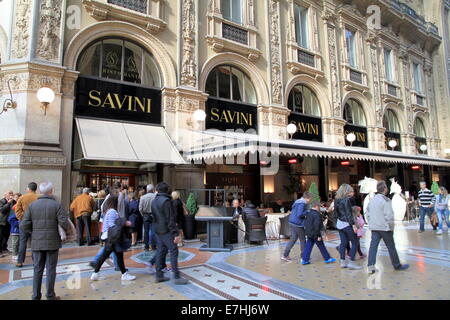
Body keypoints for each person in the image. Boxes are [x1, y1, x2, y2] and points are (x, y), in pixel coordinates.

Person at [20, 182, 70, 300]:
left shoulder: (32, 206)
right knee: (51, 268)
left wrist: (33, 232)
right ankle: (50, 295)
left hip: (36, 242)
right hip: (52, 242)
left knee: (37, 269)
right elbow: (64, 223)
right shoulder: (56, 205)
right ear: (51, 191)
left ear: (40, 192)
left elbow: (24, 225)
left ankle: (36, 295)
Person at [89, 194, 136, 281]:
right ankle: (124, 274)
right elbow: (112, 225)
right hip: (112, 237)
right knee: (118, 255)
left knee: (105, 255)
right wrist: (124, 222)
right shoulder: (112, 212)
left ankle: (95, 273)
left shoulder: (110, 211)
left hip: (110, 237)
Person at [366, 181, 409, 274]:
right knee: (391, 246)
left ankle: (370, 266)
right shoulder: (386, 200)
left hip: (374, 227)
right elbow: (389, 216)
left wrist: (371, 223)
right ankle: (397, 265)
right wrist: (391, 227)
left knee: (373, 247)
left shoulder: (372, 200)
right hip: (384, 228)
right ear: (385, 189)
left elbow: (367, 213)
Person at [152, 182, 188, 285]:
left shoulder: (154, 200)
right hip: (166, 230)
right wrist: (176, 233)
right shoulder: (167, 201)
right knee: (173, 250)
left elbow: (153, 216)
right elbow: (170, 219)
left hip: (158, 229)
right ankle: (176, 276)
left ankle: (159, 275)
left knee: (160, 251)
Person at [335, 184, 362, 270]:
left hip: (340, 224)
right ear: (347, 192)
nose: (352, 192)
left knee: (343, 243)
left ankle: (342, 262)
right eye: (351, 191)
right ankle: (351, 262)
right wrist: (353, 225)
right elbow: (348, 214)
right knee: (355, 243)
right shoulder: (346, 200)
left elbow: (336, 213)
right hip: (347, 224)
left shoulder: (336, 200)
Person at [301, 201, 336, 265]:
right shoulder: (316, 214)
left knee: (308, 246)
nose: (319, 208)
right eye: (319, 206)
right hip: (315, 233)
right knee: (321, 245)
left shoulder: (308, 212)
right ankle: (327, 258)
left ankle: (304, 260)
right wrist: (318, 236)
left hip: (309, 232)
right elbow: (316, 226)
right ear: (316, 206)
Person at [281, 192, 313, 262]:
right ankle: (304, 257)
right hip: (298, 224)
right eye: (310, 199)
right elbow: (299, 214)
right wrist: (307, 212)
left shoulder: (298, 201)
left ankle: (285, 255)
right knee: (303, 240)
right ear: (307, 198)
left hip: (292, 222)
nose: (310, 201)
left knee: (293, 239)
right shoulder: (302, 203)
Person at [15, 182, 39, 267]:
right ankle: (35, 260)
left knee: (22, 242)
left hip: (24, 222)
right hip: (36, 222)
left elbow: (17, 211)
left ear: (28, 188)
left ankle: (20, 261)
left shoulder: (22, 197)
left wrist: (22, 217)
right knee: (35, 242)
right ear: (36, 189)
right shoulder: (39, 197)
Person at [139, 184, 157, 251]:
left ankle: (146, 246)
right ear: (153, 190)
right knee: (153, 231)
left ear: (147, 190)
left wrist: (143, 215)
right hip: (154, 215)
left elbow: (140, 209)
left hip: (146, 215)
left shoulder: (142, 197)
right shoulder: (156, 196)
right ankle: (153, 246)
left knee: (146, 231)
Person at [7, 193, 21, 262]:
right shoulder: (15, 207)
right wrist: (18, 223)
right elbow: (10, 218)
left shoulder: (18, 206)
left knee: (18, 243)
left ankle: (17, 254)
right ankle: (14, 255)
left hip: (19, 229)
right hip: (15, 229)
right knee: (15, 243)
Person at [0, 190, 15, 254]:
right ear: (5, 195)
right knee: (1, 236)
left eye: (12, 193)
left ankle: (4, 248)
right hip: (2, 221)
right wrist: (8, 203)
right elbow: (2, 210)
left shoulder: (13, 201)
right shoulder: (2, 201)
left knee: (7, 235)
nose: (11, 195)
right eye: (9, 193)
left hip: (9, 221)